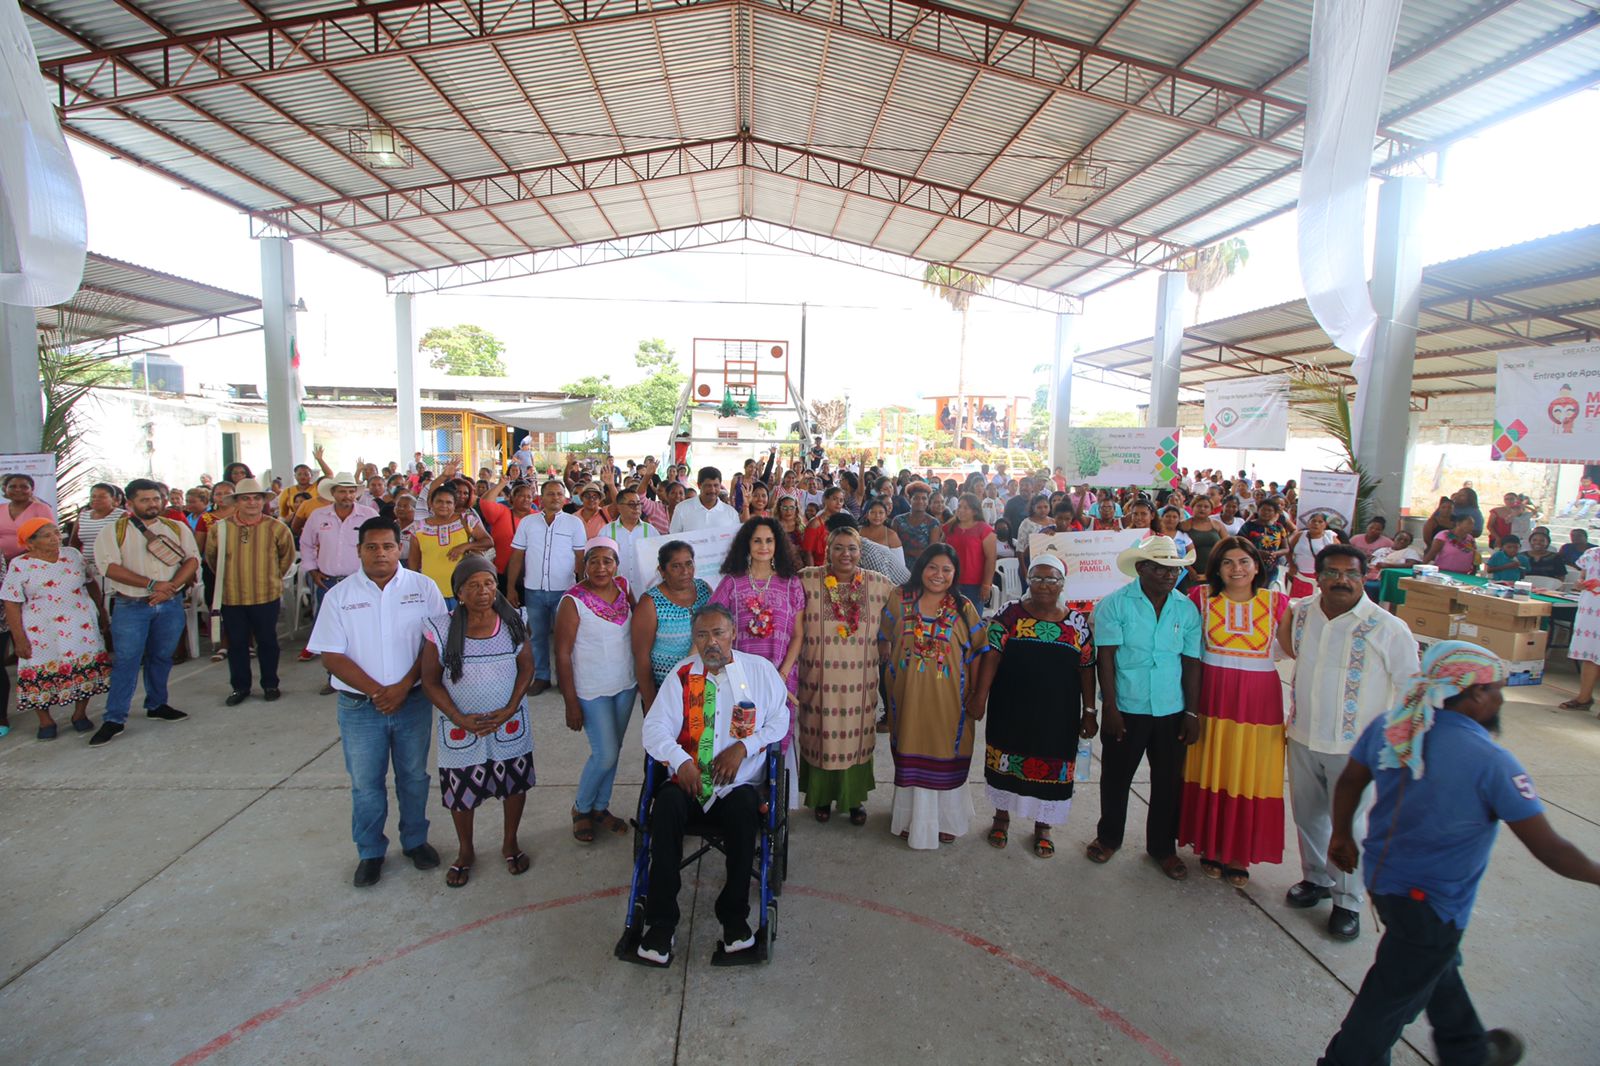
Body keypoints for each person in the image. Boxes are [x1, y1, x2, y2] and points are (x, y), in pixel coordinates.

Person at [1318, 641, 1600, 1066]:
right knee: (1387, 1002)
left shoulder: (1394, 727)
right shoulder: (1492, 762)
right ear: (1476, 694)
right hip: (1433, 901)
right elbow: (1552, 850)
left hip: (1383, 881)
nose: (1502, 698)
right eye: (1499, 689)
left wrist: (1342, 834)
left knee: (1430, 965)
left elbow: (1351, 780)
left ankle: (1468, 1050)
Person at [635, 604, 791, 964]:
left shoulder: (759, 672)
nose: (712, 642)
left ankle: (734, 920)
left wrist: (743, 747)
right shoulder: (681, 675)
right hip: (689, 783)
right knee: (666, 807)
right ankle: (660, 925)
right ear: (694, 639)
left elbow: (779, 720)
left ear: (733, 633)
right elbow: (654, 729)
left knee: (743, 812)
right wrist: (681, 761)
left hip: (736, 787)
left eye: (718, 633)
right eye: (702, 635)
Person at [1278, 544, 1419, 940]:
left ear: (1365, 576)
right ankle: (1316, 880)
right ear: (1317, 575)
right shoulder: (1300, 613)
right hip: (1303, 734)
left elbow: (1411, 690)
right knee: (1308, 816)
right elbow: (1276, 650)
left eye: (1351, 573)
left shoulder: (1387, 627)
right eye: (1332, 572)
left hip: (1357, 749)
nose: (1341, 580)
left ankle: (1348, 901)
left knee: (1351, 825)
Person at [307, 516, 445, 887]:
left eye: (387, 546)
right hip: (359, 708)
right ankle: (370, 851)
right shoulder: (340, 596)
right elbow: (331, 656)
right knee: (366, 783)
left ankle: (415, 841)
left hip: (412, 701)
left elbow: (435, 646)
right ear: (359, 551)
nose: (380, 553)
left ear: (400, 547)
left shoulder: (423, 587)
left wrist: (402, 687)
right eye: (372, 547)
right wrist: (377, 691)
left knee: (414, 777)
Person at [1085, 535, 1201, 879]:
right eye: (1161, 568)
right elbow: (1105, 659)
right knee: (1116, 778)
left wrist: (1192, 712)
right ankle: (1108, 838)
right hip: (1128, 707)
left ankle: (1162, 848)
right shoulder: (1114, 605)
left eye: (1175, 569)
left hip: (1171, 708)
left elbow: (1192, 662)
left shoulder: (1186, 608)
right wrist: (1111, 708)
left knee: (1167, 782)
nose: (1169, 575)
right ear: (1141, 569)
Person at [419, 556, 535, 888]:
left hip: (509, 723)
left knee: (514, 785)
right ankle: (466, 850)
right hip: (460, 726)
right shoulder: (440, 628)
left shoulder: (514, 621)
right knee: (461, 790)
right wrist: (459, 718)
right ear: (458, 592)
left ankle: (510, 841)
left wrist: (511, 707)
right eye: (473, 585)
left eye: (488, 583)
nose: (483, 591)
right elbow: (430, 680)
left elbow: (527, 667)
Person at [1176, 537, 1287, 885]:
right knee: (1212, 769)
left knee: (1250, 773)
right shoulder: (1201, 599)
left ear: (1257, 566)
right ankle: (1210, 845)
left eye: (1244, 561)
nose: (1236, 569)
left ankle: (1240, 854)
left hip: (1259, 703)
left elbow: (1291, 650)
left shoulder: (1280, 604)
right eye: (1227, 562)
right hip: (1212, 698)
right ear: (1217, 568)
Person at [971, 553, 1095, 858]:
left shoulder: (1076, 622)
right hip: (1010, 707)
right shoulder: (1009, 614)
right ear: (1028, 581)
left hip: (1058, 713)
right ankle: (1001, 818)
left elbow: (1087, 667)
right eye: (1037, 578)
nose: (1043, 585)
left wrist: (1089, 711)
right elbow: (992, 655)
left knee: (1052, 766)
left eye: (1051, 579)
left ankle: (1044, 826)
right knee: (1004, 760)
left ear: (1062, 584)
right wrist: (980, 697)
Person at [878, 544, 986, 849]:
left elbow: (979, 651)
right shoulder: (900, 598)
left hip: (950, 700)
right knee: (909, 742)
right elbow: (884, 636)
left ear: (955, 574)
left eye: (946, 570)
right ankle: (908, 818)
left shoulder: (964, 607)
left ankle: (947, 819)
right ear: (920, 567)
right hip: (907, 695)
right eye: (932, 567)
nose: (938, 575)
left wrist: (978, 694)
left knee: (946, 750)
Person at [88, 479, 200, 746]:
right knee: (127, 661)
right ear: (130, 503)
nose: (153, 504)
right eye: (145, 500)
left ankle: (157, 704)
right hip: (131, 605)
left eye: (156, 499)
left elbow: (192, 560)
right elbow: (109, 568)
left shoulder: (177, 527)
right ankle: (114, 718)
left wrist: (169, 589)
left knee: (162, 656)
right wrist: (152, 585)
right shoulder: (113, 531)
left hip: (169, 603)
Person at [797, 525, 892, 824]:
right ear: (827, 551)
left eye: (852, 548)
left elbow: (906, 601)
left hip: (859, 684)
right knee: (821, 737)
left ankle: (854, 800)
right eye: (838, 547)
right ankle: (821, 798)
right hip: (818, 682)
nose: (845, 554)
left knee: (855, 741)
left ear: (861, 553)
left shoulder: (878, 584)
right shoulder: (807, 579)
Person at [554, 539, 636, 845]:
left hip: (625, 685)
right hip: (591, 690)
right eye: (594, 561)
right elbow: (562, 654)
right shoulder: (572, 601)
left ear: (617, 565)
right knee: (605, 753)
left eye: (608, 561)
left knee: (613, 752)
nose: (601, 567)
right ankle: (582, 808)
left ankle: (601, 808)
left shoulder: (624, 587)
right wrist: (570, 702)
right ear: (583, 565)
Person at [2, 519, 111, 739]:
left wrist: (101, 610)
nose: (55, 538)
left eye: (56, 532)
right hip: (40, 628)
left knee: (85, 665)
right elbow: (11, 602)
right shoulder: (20, 564)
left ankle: (79, 714)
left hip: (80, 623)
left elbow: (90, 581)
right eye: (47, 535)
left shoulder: (72, 555)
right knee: (38, 668)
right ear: (30, 543)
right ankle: (45, 720)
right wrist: (19, 638)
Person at [204, 479, 294, 706]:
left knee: (267, 642)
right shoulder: (220, 529)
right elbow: (212, 560)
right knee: (236, 644)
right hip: (232, 597)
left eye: (256, 498)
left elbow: (287, 558)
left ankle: (270, 684)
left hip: (266, 595)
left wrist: (270, 576)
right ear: (237, 502)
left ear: (263, 501)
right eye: (246, 498)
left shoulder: (277, 527)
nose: (252, 502)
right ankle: (240, 687)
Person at [709, 517, 805, 710]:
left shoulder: (791, 584)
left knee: (776, 736)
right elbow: (710, 626)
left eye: (769, 540)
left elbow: (797, 635)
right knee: (742, 736)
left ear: (777, 544)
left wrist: (782, 675)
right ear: (747, 544)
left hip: (781, 677)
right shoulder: (731, 583)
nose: (764, 546)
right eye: (757, 541)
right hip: (738, 678)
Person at [506, 480, 587, 695]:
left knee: (565, 637)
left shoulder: (574, 523)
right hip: (533, 590)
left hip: (565, 591)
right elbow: (517, 556)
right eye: (550, 494)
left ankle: (564, 678)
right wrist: (511, 588)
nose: (555, 498)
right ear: (540, 498)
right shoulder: (527, 523)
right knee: (537, 636)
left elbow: (580, 557)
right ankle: (541, 677)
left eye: (559, 494)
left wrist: (582, 589)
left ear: (565, 498)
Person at [631, 541, 712, 711]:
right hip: (666, 692)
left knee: (705, 736)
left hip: (704, 688)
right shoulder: (650, 603)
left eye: (689, 564)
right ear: (662, 570)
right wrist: (651, 702)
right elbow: (641, 657)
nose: (685, 571)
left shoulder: (704, 589)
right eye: (676, 566)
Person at [407, 485, 493, 607]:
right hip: (430, 591)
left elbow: (488, 542)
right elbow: (413, 562)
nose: (444, 505)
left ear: (454, 505)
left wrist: (464, 546)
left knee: (461, 625)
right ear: (431, 503)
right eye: (439, 502)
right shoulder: (418, 528)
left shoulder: (467, 520)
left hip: (462, 589)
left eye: (449, 502)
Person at [1561, 540, 1600, 710]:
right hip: (1590, 608)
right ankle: (1584, 698)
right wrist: (1580, 583)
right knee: (1589, 654)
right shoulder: (1591, 554)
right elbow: (1583, 576)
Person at [943, 493, 997, 611]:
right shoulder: (950, 527)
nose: (961, 510)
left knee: (971, 619)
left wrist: (986, 584)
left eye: (966, 508)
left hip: (974, 584)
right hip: (949, 580)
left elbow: (991, 559)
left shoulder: (985, 530)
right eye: (959, 506)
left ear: (975, 511)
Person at [67, 482, 123, 583]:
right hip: (87, 569)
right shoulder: (83, 516)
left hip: (113, 569)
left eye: (102, 497)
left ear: (113, 499)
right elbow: (74, 544)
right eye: (93, 496)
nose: (96, 499)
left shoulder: (122, 516)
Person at [889, 481, 943, 568]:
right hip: (899, 566)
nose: (920, 501)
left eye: (924, 498)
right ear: (909, 499)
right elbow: (892, 547)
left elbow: (933, 550)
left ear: (928, 501)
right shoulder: (898, 521)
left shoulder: (933, 523)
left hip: (923, 567)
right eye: (916, 498)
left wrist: (908, 551)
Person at [1, 474, 54, 562]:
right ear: (5, 489)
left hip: (32, 561)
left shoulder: (41, 508)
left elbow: (49, 535)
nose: (17, 490)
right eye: (12, 487)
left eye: (24, 487)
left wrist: (23, 556)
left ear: (32, 490)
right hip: (1, 562)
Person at [1239, 497, 1291, 587]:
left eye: (1270, 510)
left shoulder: (1279, 528)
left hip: (1272, 568)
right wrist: (1257, 553)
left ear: (1275, 513)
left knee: (1267, 593)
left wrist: (1273, 554)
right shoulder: (1248, 526)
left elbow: (1286, 549)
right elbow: (1239, 544)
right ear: (1258, 510)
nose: (1266, 512)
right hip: (1250, 566)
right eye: (1263, 509)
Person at [669, 467, 739, 533]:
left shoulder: (731, 513)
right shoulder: (682, 508)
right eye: (708, 486)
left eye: (716, 485)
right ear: (699, 485)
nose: (712, 490)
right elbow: (673, 538)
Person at [1286, 511, 1338, 598]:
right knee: (1294, 602)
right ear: (1308, 523)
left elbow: (1338, 556)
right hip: (1297, 574)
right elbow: (1288, 551)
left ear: (1325, 525)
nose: (1316, 524)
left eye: (1320, 522)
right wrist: (1291, 564)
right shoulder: (1300, 535)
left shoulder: (1329, 538)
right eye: (1313, 521)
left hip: (1318, 577)